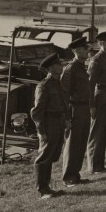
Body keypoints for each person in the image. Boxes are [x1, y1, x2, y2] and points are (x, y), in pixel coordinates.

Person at [30, 53, 68, 199]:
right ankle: (42, 189)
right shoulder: (43, 86)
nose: (61, 66)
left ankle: (47, 187)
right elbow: (37, 112)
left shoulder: (58, 83)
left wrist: (65, 120)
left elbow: (63, 102)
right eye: (58, 65)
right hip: (49, 123)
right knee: (43, 157)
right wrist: (41, 131)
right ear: (51, 68)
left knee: (51, 155)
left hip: (58, 122)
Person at [61, 37, 93, 186]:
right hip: (75, 110)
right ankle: (68, 178)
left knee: (81, 143)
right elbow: (64, 96)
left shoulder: (81, 67)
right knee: (73, 144)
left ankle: (76, 174)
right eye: (85, 48)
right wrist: (67, 118)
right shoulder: (70, 69)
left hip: (83, 109)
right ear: (76, 51)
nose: (88, 51)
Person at [87, 30, 106, 173]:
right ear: (102, 43)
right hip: (100, 96)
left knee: (104, 131)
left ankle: (100, 165)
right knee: (97, 132)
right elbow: (90, 85)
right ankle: (93, 166)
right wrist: (91, 105)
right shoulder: (96, 60)